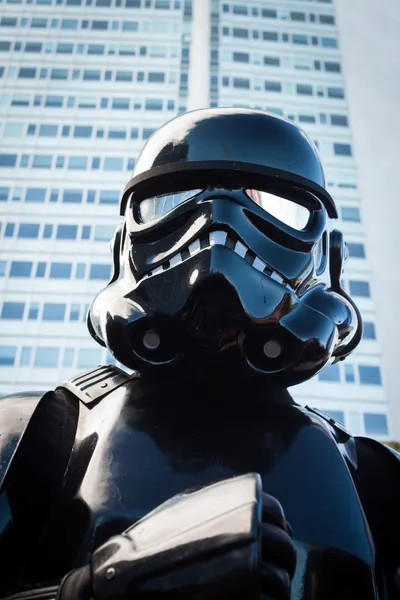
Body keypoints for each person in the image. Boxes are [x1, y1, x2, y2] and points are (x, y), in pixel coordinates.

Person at [1, 108, 399, 600]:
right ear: (124, 243)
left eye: (275, 210)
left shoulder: (378, 482)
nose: (218, 230)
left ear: (327, 257)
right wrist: (95, 589)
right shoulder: (36, 431)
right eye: (173, 203)